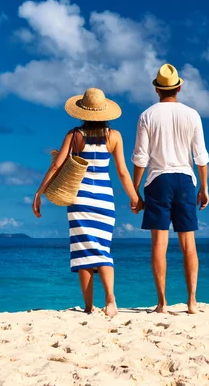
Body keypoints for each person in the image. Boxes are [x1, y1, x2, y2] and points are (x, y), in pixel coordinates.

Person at [32, 88, 142, 317]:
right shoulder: (115, 137)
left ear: (82, 112)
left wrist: (39, 192)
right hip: (104, 200)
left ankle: (89, 308)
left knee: (83, 253)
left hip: (79, 200)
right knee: (102, 250)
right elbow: (122, 172)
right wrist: (135, 198)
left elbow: (56, 166)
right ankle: (110, 299)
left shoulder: (74, 136)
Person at [132, 63, 209, 314]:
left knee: (159, 244)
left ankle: (162, 303)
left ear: (157, 89)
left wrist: (135, 191)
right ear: (178, 88)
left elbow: (140, 158)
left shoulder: (147, 115)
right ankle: (192, 302)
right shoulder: (192, 114)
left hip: (158, 180)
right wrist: (204, 187)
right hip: (185, 180)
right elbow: (200, 156)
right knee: (189, 243)